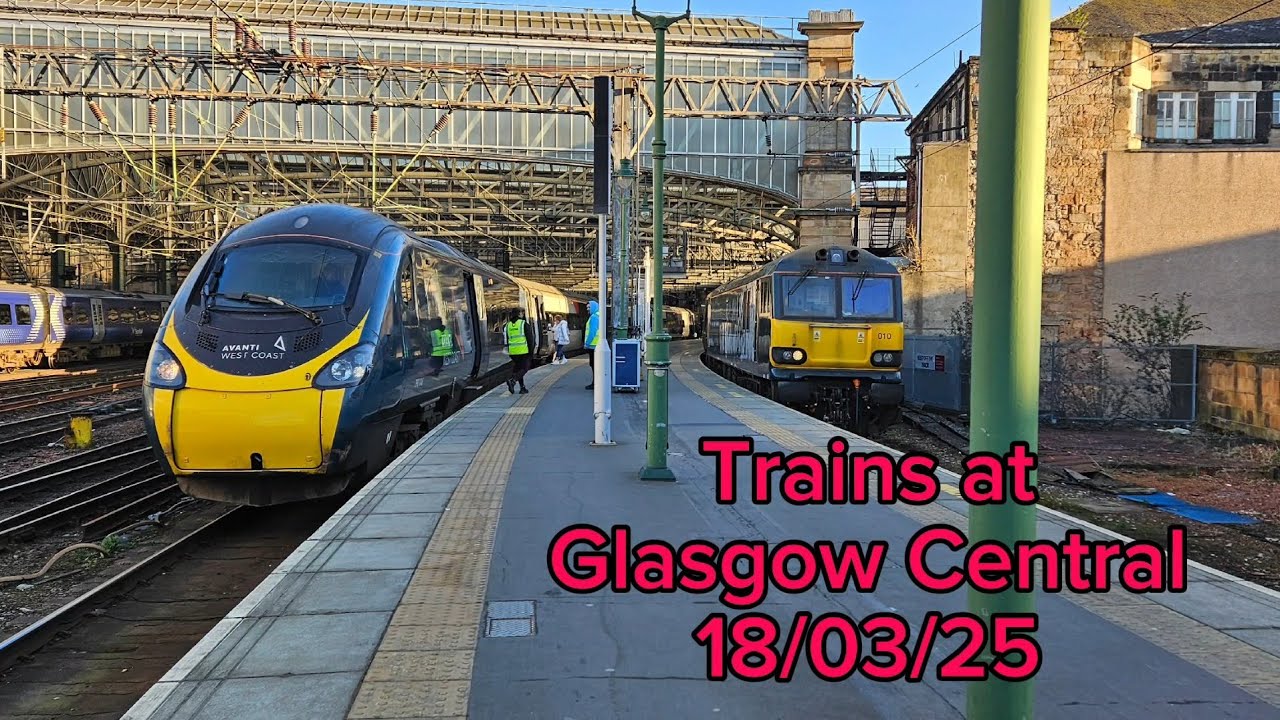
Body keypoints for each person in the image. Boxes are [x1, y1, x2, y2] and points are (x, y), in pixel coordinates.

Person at [505, 309, 536, 394]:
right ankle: (513, 380)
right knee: (525, 368)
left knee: (518, 369)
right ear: (519, 314)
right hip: (523, 351)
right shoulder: (524, 324)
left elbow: (507, 339)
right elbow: (530, 339)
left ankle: (522, 388)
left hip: (513, 352)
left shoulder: (508, 325)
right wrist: (531, 352)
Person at [584, 300, 601, 389]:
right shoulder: (598, 316)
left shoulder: (594, 317)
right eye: (587, 307)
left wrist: (587, 343)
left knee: (594, 365)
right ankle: (596, 383)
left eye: (589, 307)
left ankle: (595, 384)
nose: (588, 309)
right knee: (596, 365)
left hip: (593, 346)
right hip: (597, 345)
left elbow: (592, 332)